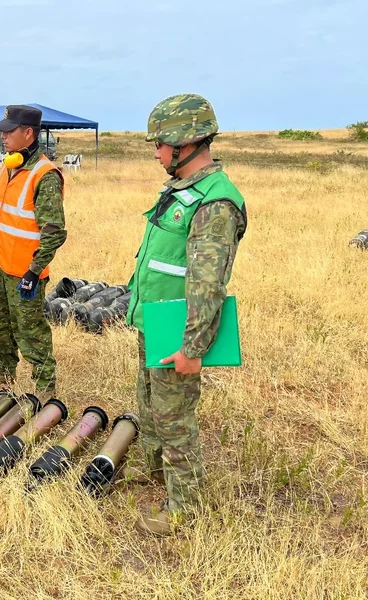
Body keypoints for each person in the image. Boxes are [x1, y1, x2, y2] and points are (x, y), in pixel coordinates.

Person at [125, 94, 247, 536]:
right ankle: (158, 477)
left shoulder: (215, 202)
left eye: (160, 144)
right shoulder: (181, 190)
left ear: (186, 142)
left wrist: (193, 347)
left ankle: (185, 510)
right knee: (151, 407)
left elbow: (206, 284)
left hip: (178, 331)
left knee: (176, 421)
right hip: (155, 322)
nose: (156, 153)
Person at [0, 105, 67, 399]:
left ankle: (44, 388)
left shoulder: (45, 175)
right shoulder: (9, 167)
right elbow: (5, 216)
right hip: (0, 263)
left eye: (9, 131)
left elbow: (54, 231)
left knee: (30, 330)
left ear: (28, 133)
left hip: (25, 271)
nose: (2, 136)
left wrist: (34, 270)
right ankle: (3, 373)